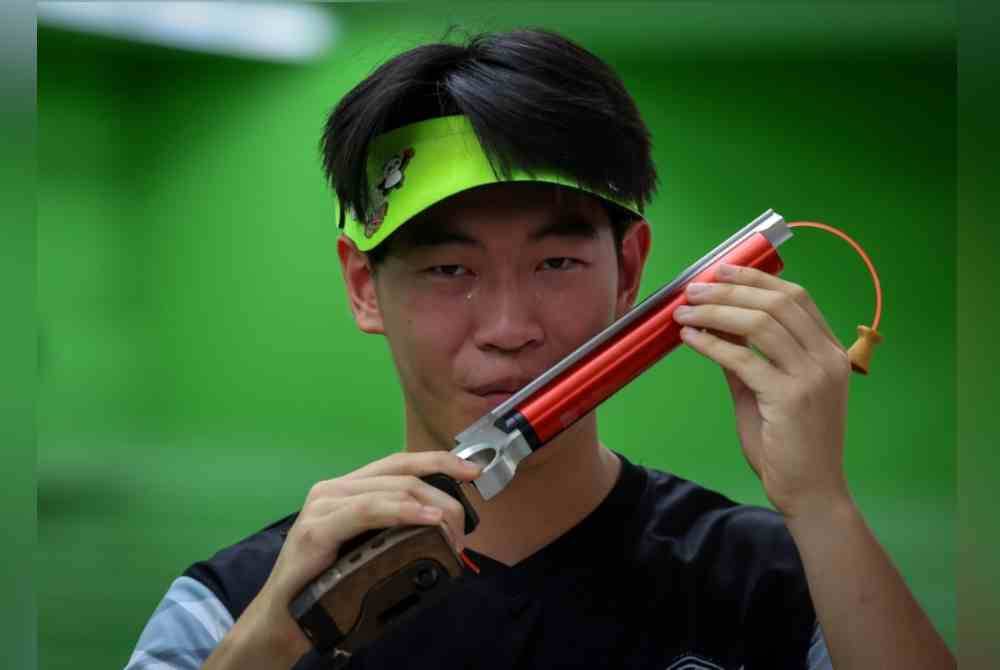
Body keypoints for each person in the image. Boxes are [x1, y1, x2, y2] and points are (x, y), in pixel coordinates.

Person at [124, 29, 954, 670]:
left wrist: (822, 503)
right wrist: (273, 637)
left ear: (629, 270)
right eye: (450, 269)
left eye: (557, 263)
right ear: (364, 288)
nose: (510, 326)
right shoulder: (234, 605)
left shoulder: (774, 579)